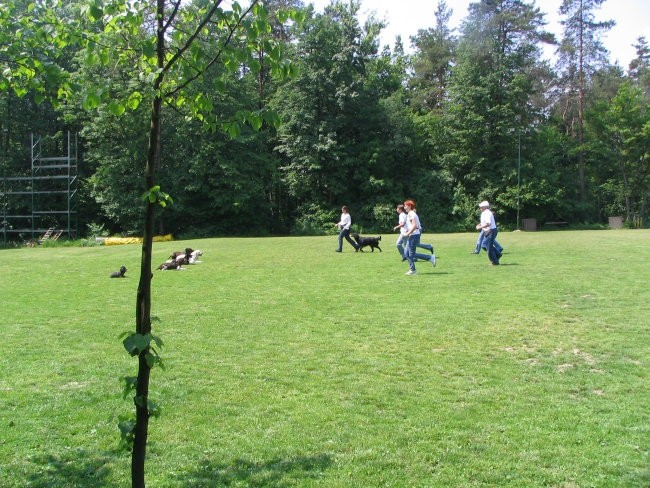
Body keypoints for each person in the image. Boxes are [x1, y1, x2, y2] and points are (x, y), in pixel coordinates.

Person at [403, 200, 436, 275]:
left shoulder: (411, 214)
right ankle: (413, 269)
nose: (404, 207)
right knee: (406, 253)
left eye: (405, 205)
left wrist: (407, 233)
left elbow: (415, 226)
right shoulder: (410, 214)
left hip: (414, 236)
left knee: (411, 254)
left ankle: (429, 258)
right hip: (413, 235)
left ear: (409, 206)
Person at [475, 200, 499, 265]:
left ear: (485, 207)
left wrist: (480, 227)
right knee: (484, 245)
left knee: (489, 247)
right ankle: (498, 254)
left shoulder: (487, 213)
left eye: (481, 207)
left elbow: (488, 223)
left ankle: (495, 262)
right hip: (488, 231)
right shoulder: (484, 213)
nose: (480, 208)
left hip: (491, 231)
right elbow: (484, 221)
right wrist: (480, 224)